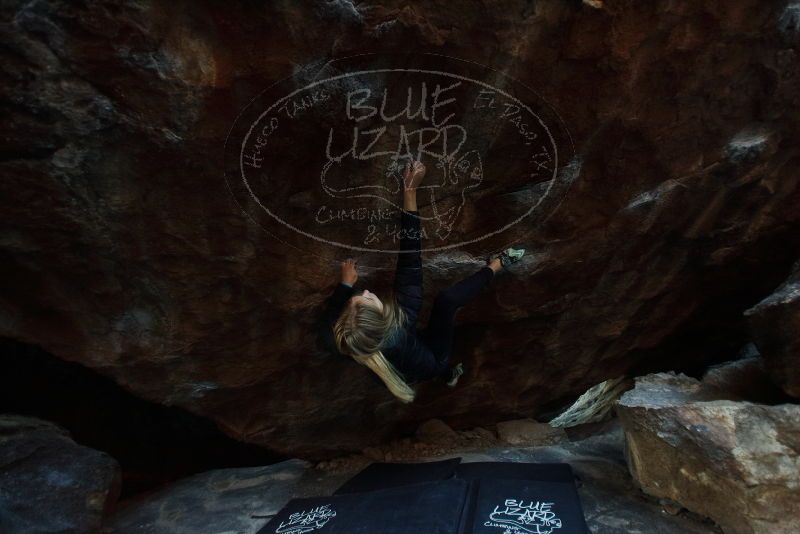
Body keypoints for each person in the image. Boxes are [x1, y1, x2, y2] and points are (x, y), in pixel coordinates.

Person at [316, 160, 525, 403]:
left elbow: (329, 322)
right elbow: (409, 259)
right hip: (431, 361)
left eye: (356, 299)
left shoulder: (341, 341)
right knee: (446, 302)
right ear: (384, 321)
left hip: (400, 365)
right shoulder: (402, 320)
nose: (368, 292)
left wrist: (344, 287)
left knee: (415, 357)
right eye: (368, 299)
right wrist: (410, 192)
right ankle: (498, 264)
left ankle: (447, 376)